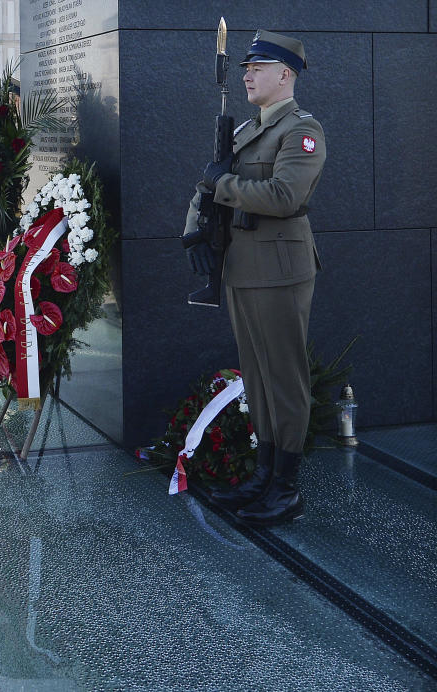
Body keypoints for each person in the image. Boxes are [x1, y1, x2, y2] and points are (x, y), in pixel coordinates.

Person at [183, 31, 326, 526]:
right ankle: (264, 474)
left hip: (281, 271)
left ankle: (285, 487)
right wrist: (195, 235)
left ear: (285, 75)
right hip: (243, 268)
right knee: (258, 378)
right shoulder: (247, 130)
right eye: (245, 66)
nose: (247, 74)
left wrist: (223, 186)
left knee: (284, 378)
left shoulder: (301, 131)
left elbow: (285, 196)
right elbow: (208, 184)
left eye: (258, 67)